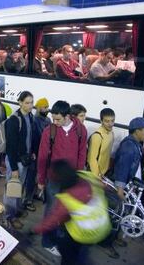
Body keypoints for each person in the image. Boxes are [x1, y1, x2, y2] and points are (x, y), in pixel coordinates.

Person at [33, 160, 111, 265]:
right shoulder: (88, 176)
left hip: (83, 233)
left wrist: (34, 230)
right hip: (102, 226)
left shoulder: (67, 199)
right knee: (82, 252)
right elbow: (104, 187)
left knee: (67, 253)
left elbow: (52, 220)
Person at [37, 100, 87, 253]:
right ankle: (47, 242)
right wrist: (41, 180)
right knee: (51, 211)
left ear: (67, 116)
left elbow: (82, 154)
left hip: (71, 179)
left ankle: (61, 239)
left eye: (58, 119)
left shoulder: (80, 130)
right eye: (53, 118)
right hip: (54, 180)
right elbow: (43, 157)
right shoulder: (49, 131)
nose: (55, 122)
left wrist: (79, 175)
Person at [4, 91, 35, 230]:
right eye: (27, 103)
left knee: (19, 188)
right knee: (12, 190)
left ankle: (16, 210)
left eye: (31, 103)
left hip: (25, 159)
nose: (30, 105)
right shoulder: (14, 120)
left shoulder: (30, 116)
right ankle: (9, 218)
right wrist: (14, 168)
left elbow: (30, 137)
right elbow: (10, 146)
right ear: (20, 102)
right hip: (15, 162)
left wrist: (32, 152)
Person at [114, 117, 144, 200]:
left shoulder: (136, 145)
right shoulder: (129, 146)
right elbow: (123, 167)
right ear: (137, 131)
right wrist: (120, 190)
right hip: (125, 187)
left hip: (131, 186)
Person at [87, 108, 116, 178]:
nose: (110, 124)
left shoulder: (111, 133)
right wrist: (97, 177)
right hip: (95, 175)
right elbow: (92, 159)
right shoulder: (97, 136)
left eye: (112, 121)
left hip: (105, 173)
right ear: (101, 121)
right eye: (107, 121)